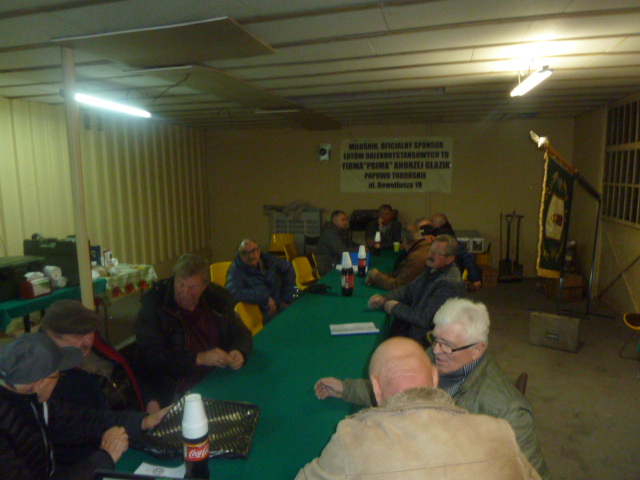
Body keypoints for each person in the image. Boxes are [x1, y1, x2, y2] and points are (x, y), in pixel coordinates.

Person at [314, 298, 550, 479]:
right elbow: (401, 390)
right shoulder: (441, 356)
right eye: (435, 339)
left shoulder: (509, 411)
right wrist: (346, 389)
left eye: (446, 345)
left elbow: (533, 474)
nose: (435, 350)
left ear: (478, 349)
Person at [0, 334, 167, 480]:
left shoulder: (33, 399)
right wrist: (106, 456)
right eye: (58, 375)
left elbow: (83, 421)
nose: (60, 380)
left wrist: (144, 421)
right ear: (39, 384)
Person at [136, 253, 253, 410]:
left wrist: (239, 351)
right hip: (177, 390)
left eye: (192, 287)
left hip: (218, 377)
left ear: (205, 286)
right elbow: (151, 358)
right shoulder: (155, 306)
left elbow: (242, 333)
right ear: (174, 279)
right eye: (181, 284)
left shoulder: (217, 301)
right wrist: (199, 358)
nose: (185, 293)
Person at [368, 234, 466, 344]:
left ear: (450, 259)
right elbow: (409, 289)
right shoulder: (433, 268)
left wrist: (396, 307)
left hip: (426, 340)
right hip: (413, 329)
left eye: (437, 253)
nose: (430, 255)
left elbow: (426, 319)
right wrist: (385, 298)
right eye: (430, 250)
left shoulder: (448, 283)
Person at [226, 238, 296, 321]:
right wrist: (264, 297)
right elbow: (232, 292)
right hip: (260, 313)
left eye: (253, 251)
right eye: (245, 253)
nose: (251, 256)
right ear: (240, 255)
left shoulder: (268, 260)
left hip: (279, 304)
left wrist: (286, 298)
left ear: (259, 250)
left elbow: (288, 268)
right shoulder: (236, 269)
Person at [366, 224, 430, 290]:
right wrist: (378, 276)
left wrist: (376, 275)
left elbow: (398, 286)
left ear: (405, 240)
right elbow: (399, 275)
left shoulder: (416, 257)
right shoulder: (425, 247)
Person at [431, 212, 482, 290]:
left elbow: (466, 258)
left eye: (433, 222)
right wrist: (475, 278)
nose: (432, 225)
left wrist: (475, 278)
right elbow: (467, 258)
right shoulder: (451, 237)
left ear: (439, 224)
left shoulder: (446, 240)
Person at [315, 210, 361, 276]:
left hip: (336, 263)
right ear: (334, 221)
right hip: (328, 267)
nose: (345, 222)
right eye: (343, 220)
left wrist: (361, 247)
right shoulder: (330, 233)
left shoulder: (341, 232)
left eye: (346, 220)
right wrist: (359, 249)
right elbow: (342, 251)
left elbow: (350, 244)